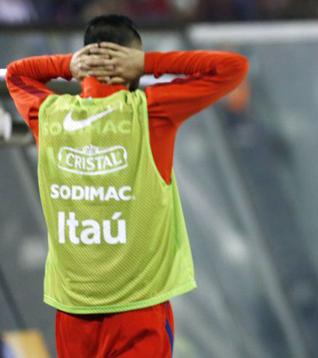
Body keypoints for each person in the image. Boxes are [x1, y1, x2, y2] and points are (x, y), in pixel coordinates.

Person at [5, 14, 248, 357]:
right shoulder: (150, 113)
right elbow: (231, 68)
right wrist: (149, 64)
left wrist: (66, 65)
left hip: (73, 313)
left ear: (83, 62)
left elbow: (16, 73)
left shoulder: (49, 113)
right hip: (138, 310)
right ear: (132, 65)